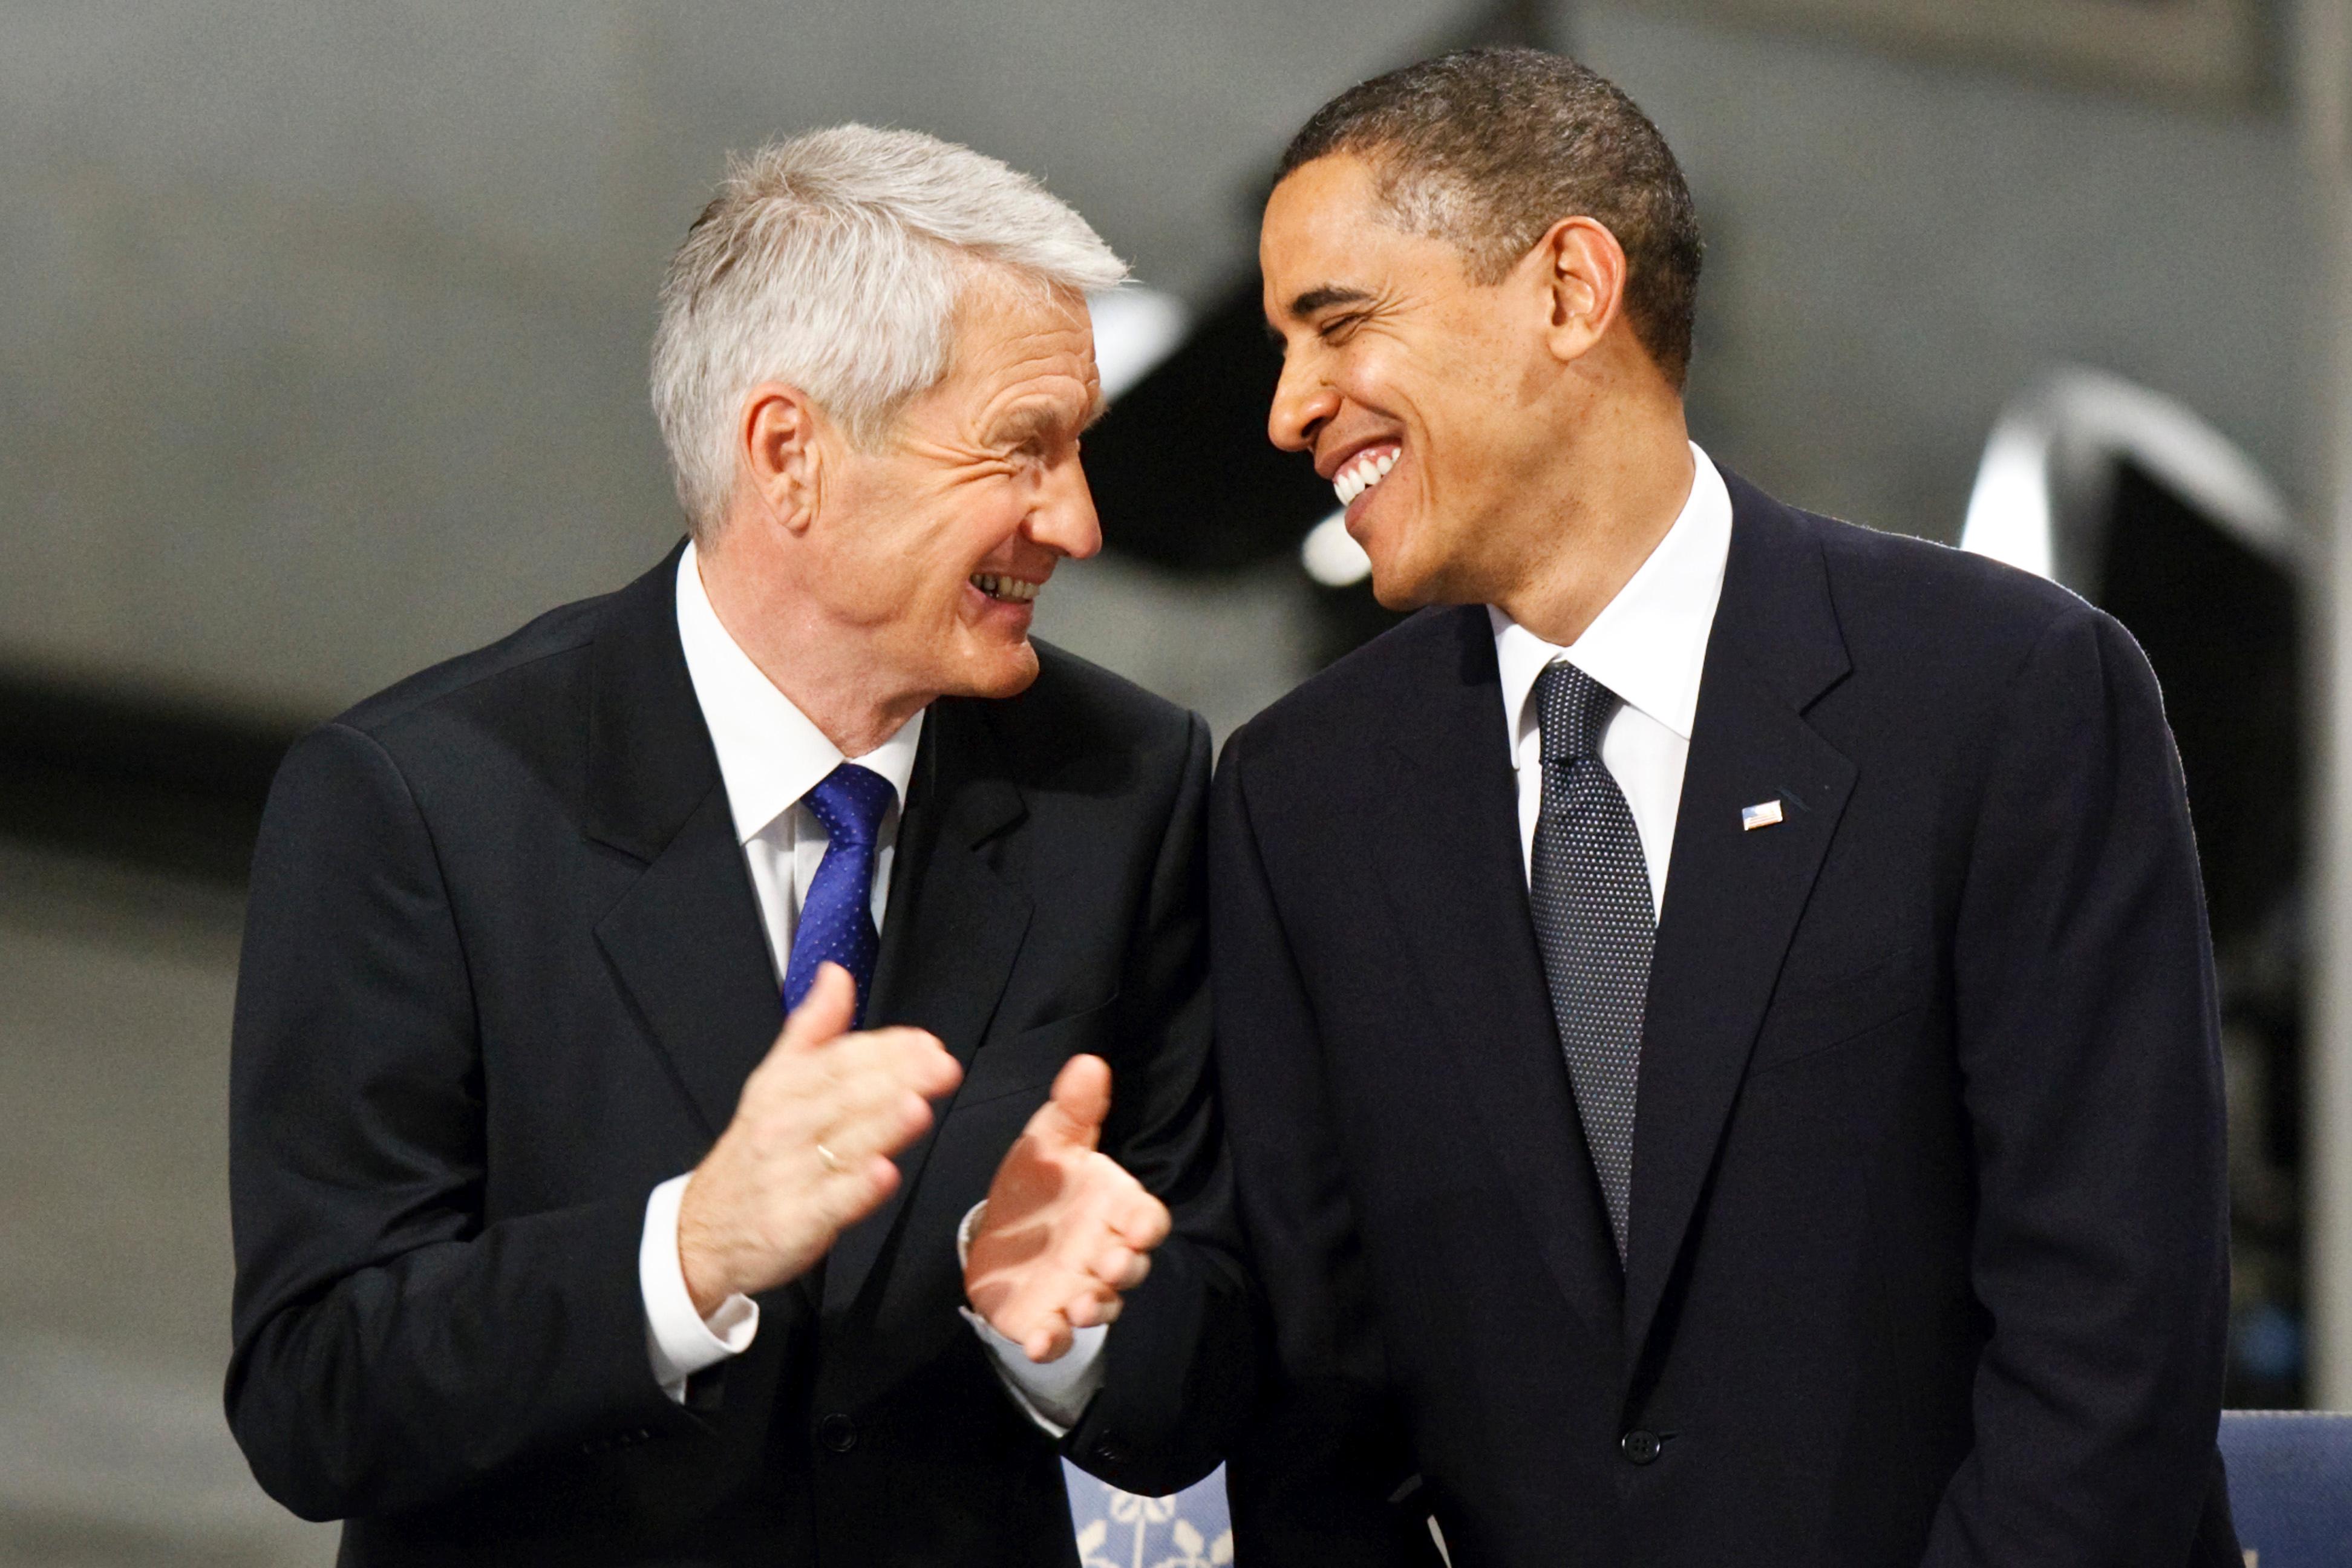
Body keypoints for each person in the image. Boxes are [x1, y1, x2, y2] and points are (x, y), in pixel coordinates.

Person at [1212, 48, 2238, 1567]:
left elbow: (2109, 1335)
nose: (1293, 406)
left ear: (1570, 290)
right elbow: (1316, 1413)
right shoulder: (1302, 796)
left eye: (1339, 324)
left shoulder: (2010, 694)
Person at [226, 124, 1252, 1566]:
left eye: (1078, 446)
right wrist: (684, 1254)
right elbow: (314, 1398)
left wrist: (1071, 1336)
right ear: (791, 456)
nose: (1076, 519)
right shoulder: (420, 803)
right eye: (1024, 448)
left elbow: (1212, 1379)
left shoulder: (1130, 789)